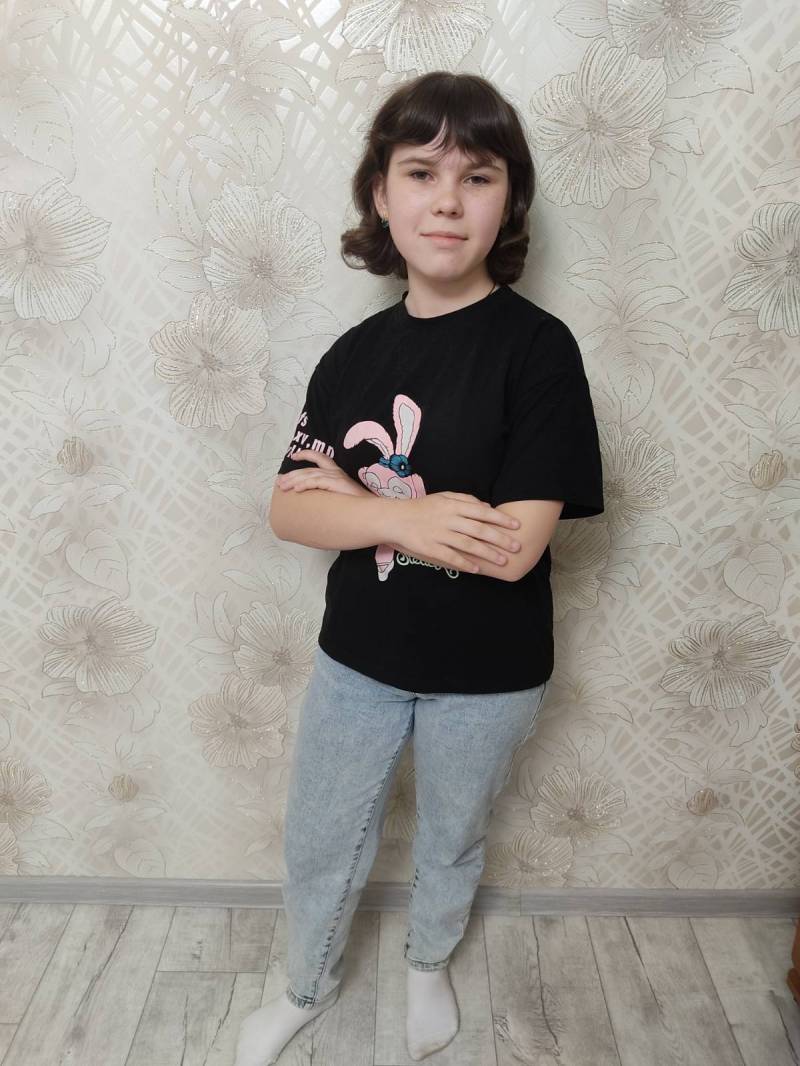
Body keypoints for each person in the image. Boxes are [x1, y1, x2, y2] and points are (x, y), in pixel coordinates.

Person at [234, 71, 604, 1065]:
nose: (447, 200)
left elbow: (513, 547)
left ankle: (428, 961)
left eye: (476, 176)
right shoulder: (352, 355)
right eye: (420, 172)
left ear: (507, 201)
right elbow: (287, 509)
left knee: (451, 832)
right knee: (322, 832)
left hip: (491, 671)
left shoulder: (538, 351)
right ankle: (304, 983)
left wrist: (355, 506)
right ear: (381, 195)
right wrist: (414, 515)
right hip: (357, 652)